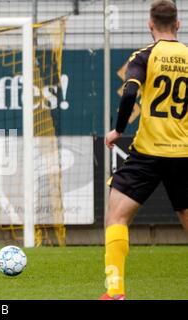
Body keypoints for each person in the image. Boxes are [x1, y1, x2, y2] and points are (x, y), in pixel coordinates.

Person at [101, 0, 188, 300]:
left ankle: (115, 292)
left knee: (116, 218)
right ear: (178, 24)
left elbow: (130, 93)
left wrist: (119, 129)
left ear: (150, 24)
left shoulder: (144, 56)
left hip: (149, 152)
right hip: (184, 154)